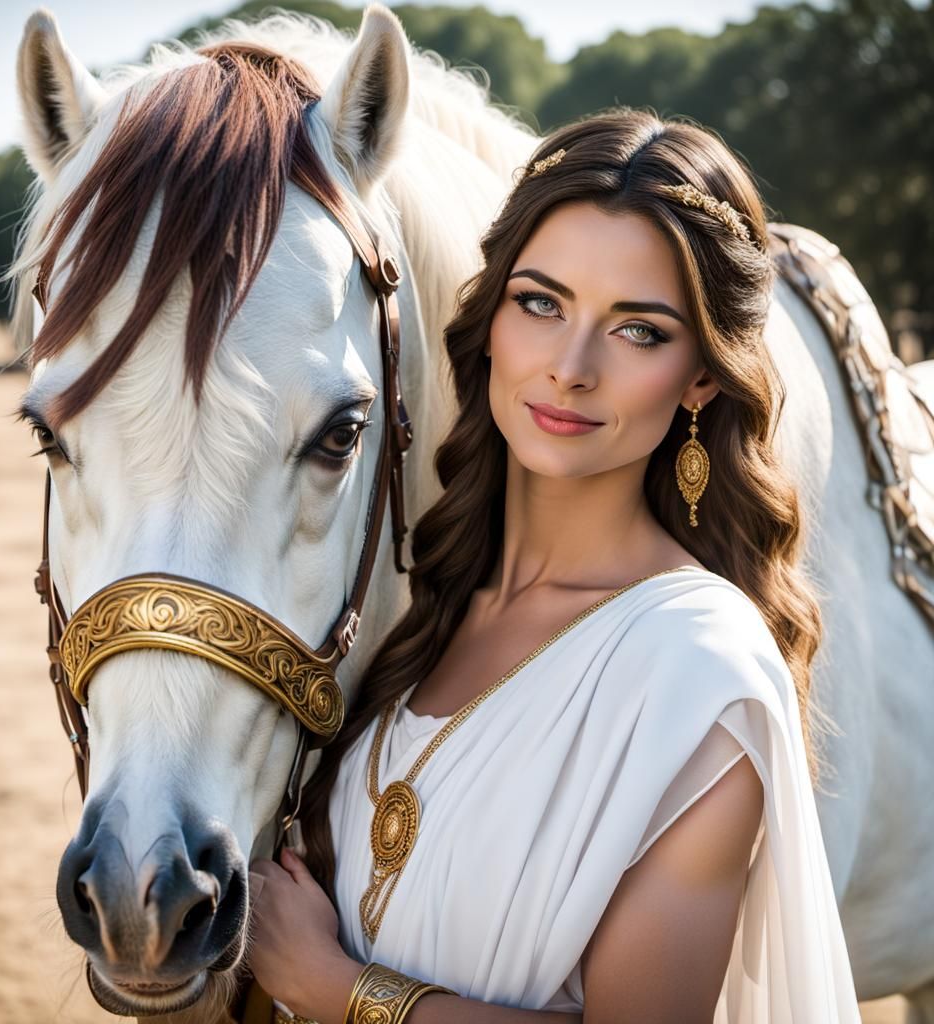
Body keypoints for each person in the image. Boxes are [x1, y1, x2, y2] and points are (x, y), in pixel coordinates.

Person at [245, 108, 861, 1023]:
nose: (570, 367)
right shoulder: (422, 595)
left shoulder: (699, 673)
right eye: (542, 302)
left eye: (639, 330)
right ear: (493, 317)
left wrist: (334, 989)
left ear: (701, 376)